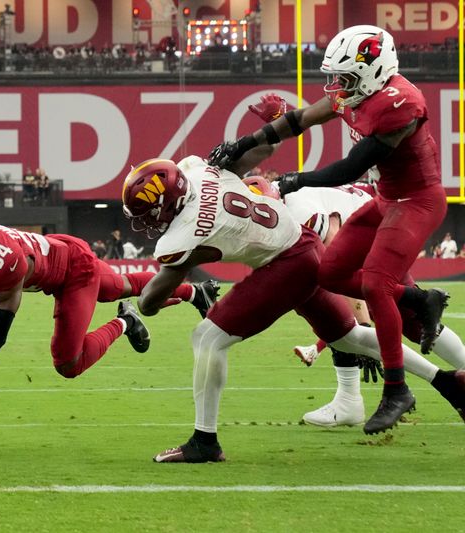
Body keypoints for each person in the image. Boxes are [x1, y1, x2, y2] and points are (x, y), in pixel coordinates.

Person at [121, 156, 465, 463]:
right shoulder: (198, 169)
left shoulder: (185, 230)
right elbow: (247, 153)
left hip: (288, 263)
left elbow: (150, 304)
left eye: (148, 213)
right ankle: (447, 382)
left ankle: (204, 440)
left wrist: (147, 297)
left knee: (207, 338)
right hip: (304, 245)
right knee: (349, 338)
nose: (148, 223)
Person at [207, 26, 449, 431]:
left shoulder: (400, 104)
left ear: (374, 71)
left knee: (374, 284)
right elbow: (298, 120)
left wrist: (297, 179)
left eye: (346, 78)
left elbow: (351, 167)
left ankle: (397, 390)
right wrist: (243, 144)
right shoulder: (354, 91)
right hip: (387, 199)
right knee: (331, 273)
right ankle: (419, 299)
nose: (337, 87)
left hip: (417, 202)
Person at [0, 206, 221, 406]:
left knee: (68, 362)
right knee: (123, 286)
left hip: (72, 272)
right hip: (61, 251)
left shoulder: (4, 264)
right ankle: (195, 293)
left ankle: (126, 322)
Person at [246, 176, 465, 427]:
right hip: (374, 227)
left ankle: (351, 399)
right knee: (334, 311)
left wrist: (363, 323)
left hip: (378, 233)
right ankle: (348, 400)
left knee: (407, 321)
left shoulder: (300, 209)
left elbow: (341, 263)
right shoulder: (289, 203)